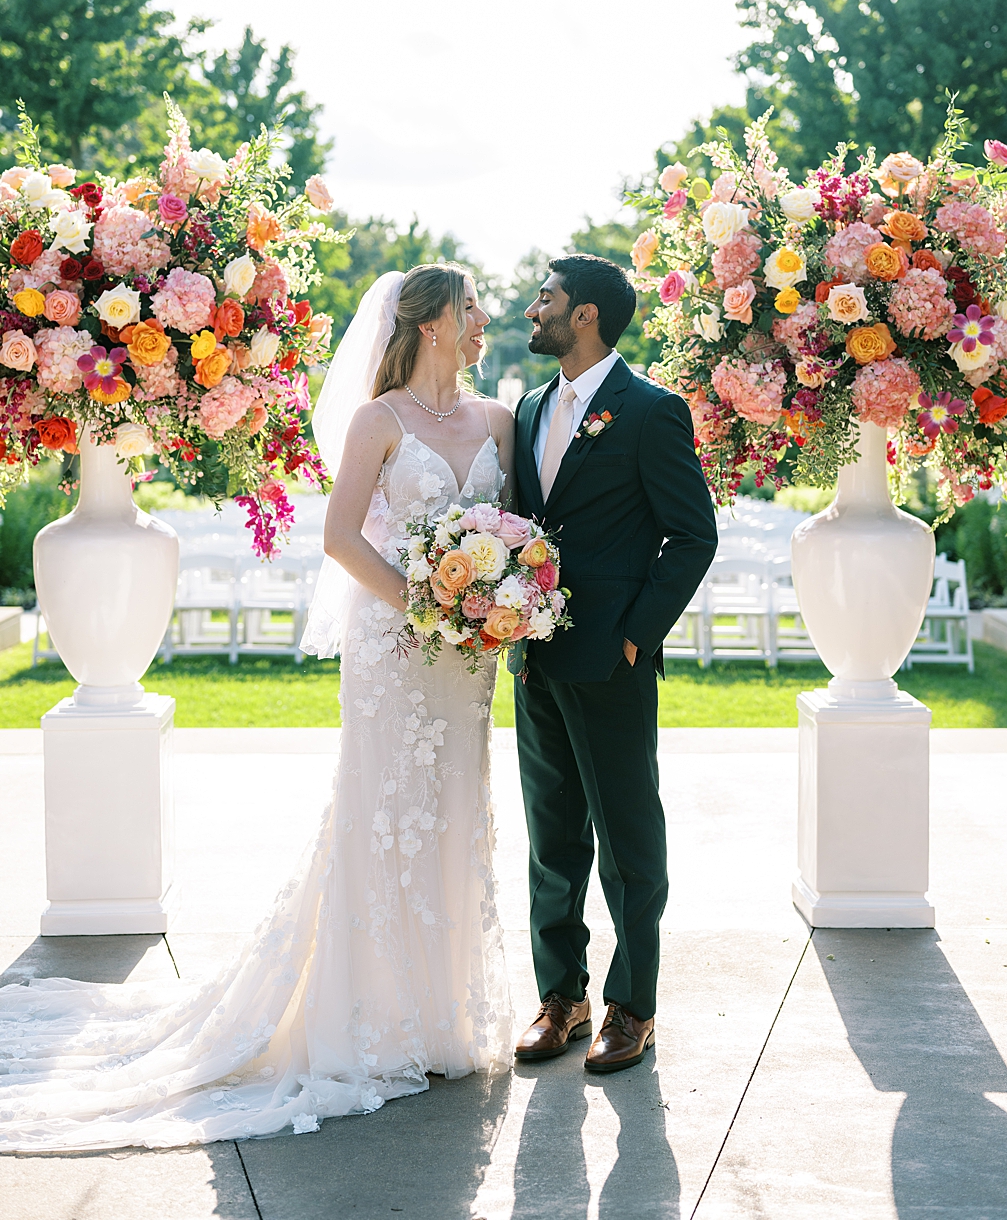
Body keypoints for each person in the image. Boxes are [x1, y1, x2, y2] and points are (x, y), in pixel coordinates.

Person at [0, 263, 518, 1150]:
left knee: (455, 812)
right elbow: (340, 537)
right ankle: (373, 1016)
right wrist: (428, 604)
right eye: (470, 308)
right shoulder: (377, 421)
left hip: (468, 659)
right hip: (398, 646)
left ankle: (441, 1016)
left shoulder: (499, 419)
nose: (483, 321)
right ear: (430, 322)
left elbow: (510, 530)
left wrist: (500, 599)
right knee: (385, 810)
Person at [507, 253, 717, 1075]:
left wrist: (637, 634)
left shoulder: (650, 410)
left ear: (586, 314)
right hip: (535, 659)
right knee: (551, 839)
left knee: (629, 843)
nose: (534, 308)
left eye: (547, 298)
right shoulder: (527, 408)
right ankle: (563, 996)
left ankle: (634, 1006)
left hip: (614, 661)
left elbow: (691, 534)